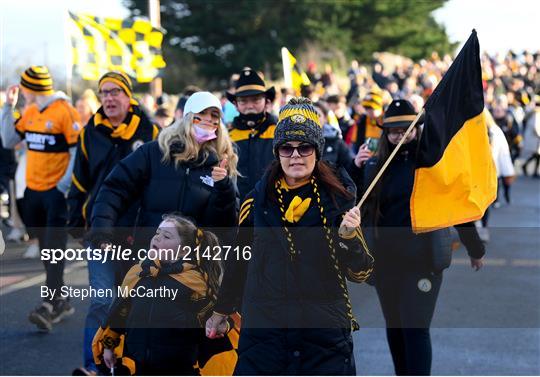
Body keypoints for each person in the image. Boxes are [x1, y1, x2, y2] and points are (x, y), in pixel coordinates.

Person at [206, 97, 374, 375]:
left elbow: (362, 272)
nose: (295, 155)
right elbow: (239, 263)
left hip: (323, 336)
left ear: (317, 151)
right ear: (277, 153)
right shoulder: (255, 202)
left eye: (304, 147)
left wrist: (348, 238)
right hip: (265, 334)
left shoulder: (339, 201)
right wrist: (220, 311)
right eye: (287, 148)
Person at [355, 99, 486, 375]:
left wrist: (474, 248)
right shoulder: (375, 167)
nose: (399, 135)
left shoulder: (431, 165)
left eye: (406, 129)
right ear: (385, 133)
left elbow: (457, 208)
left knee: (415, 328)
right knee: (396, 328)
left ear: (416, 129)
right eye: (393, 131)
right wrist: (357, 169)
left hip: (421, 262)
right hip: (384, 262)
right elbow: (354, 207)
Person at [68, 71, 159, 376]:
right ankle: (93, 366)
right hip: (100, 231)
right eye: (103, 92)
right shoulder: (88, 133)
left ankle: (129, 364)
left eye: (115, 92)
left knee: (134, 302)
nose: (108, 98)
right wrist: (75, 222)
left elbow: (159, 183)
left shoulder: (151, 131)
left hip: (138, 234)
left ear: (128, 96)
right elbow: (79, 182)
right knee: (102, 300)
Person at [88, 91, 238, 250]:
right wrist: (102, 232)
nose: (208, 119)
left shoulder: (222, 162)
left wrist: (223, 187)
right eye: (202, 113)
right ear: (187, 117)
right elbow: (115, 188)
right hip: (149, 256)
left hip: (192, 263)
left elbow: (223, 225)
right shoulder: (154, 152)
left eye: (214, 115)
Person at [0, 66, 81, 331]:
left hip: (55, 194)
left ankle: (49, 304)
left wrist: (63, 185)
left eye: (24, 87)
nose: (21, 91)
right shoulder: (31, 111)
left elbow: (76, 151)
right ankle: (61, 299)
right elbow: (9, 139)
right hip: (32, 193)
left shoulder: (64, 111)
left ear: (32, 87)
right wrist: (7, 109)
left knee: (54, 248)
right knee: (47, 250)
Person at [94, 214, 223, 375]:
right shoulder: (139, 273)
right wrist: (108, 345)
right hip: (139, 362)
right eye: (157, 233)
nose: (157, 238)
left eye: (166, 236)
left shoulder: (195, 282)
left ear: (184, 250)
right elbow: (121, 312)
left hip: (179, 366)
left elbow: (213, 320)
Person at [226, 68, 277, 200]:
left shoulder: (279, 130)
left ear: (267, 101)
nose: (250, 106)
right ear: (235, 104)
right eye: (243, 101)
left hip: (275, 205)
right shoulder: (227, 136)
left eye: (256, 100)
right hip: (238, 207)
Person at [313, 101, 354, 170]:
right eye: (310, 115)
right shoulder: (297, 141)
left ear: (325, 119)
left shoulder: (336, 141)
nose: (314, 118)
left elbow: (349, 168)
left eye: (318, 115)